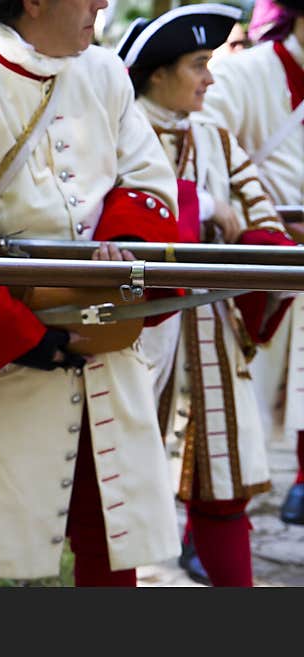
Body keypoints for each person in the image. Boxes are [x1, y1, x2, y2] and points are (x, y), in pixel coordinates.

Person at [0, 0, 182, 587]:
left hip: (105, 338)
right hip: (0, 351)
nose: (102, 4)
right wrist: (29, 337)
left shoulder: (105, 72)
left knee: (113, 537)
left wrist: (123, 258)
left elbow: (147, 180)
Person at [117, 3, 297, 587]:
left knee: (224, 488)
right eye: (199, 65)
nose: (211, 79)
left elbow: (264, 226)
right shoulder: (116, 133)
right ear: (157, 73)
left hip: (208, 330)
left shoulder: (216, 139)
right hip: (131, 334)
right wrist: (205, 214)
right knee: (113, 502)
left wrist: (238, 226)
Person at [197, 0, 304, 526]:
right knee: (234, 413)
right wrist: (268, 226)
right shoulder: (244, 74)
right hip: (257, 264)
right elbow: (201, 155)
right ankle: (208, 524)